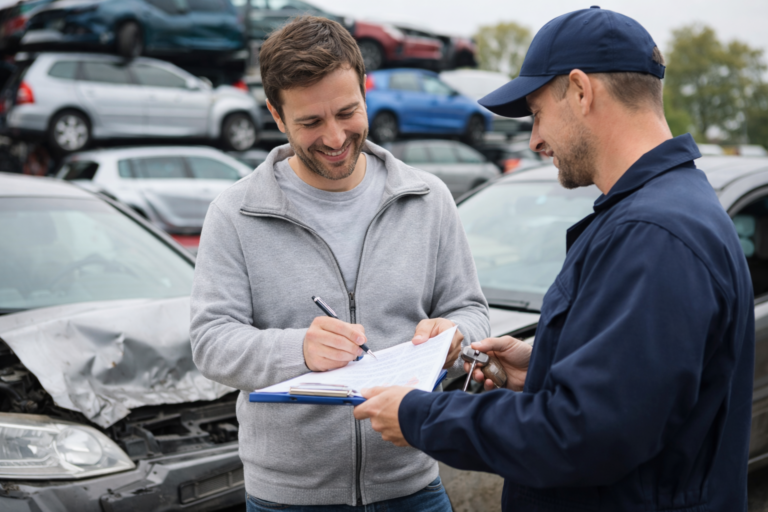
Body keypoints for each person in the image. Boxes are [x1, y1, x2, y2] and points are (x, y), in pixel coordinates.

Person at [354, 7, 755, 512]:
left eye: (537, 112)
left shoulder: (653, 234)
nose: (534, 139)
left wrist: (421, 416)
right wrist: (544, 366)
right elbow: (635, 395)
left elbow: (586, 436)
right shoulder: (665, 211)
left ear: (582, 91)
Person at [189, 15, 490, 512]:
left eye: (347, 112)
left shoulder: (428, 198)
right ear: (276, 115)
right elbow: (210, 342)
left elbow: (472, 312)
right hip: (288, 499)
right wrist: (299, 350)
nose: (334, 137)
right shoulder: (235, 213)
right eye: (310, 122)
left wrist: (455, 339)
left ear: (365, 89)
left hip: (413, 486)